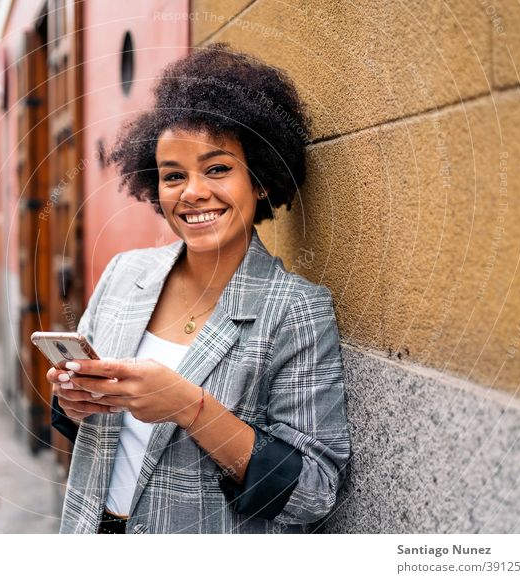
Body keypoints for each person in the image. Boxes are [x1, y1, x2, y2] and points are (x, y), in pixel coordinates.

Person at [46, 43, 351, 534]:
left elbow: (314, 493)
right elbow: (87, 425)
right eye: (173, 176)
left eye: (217, 169)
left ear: (262, 182)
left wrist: (190, 408)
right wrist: (72, 402)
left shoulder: (296, 311)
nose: (192, 192)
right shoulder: (125, 274)